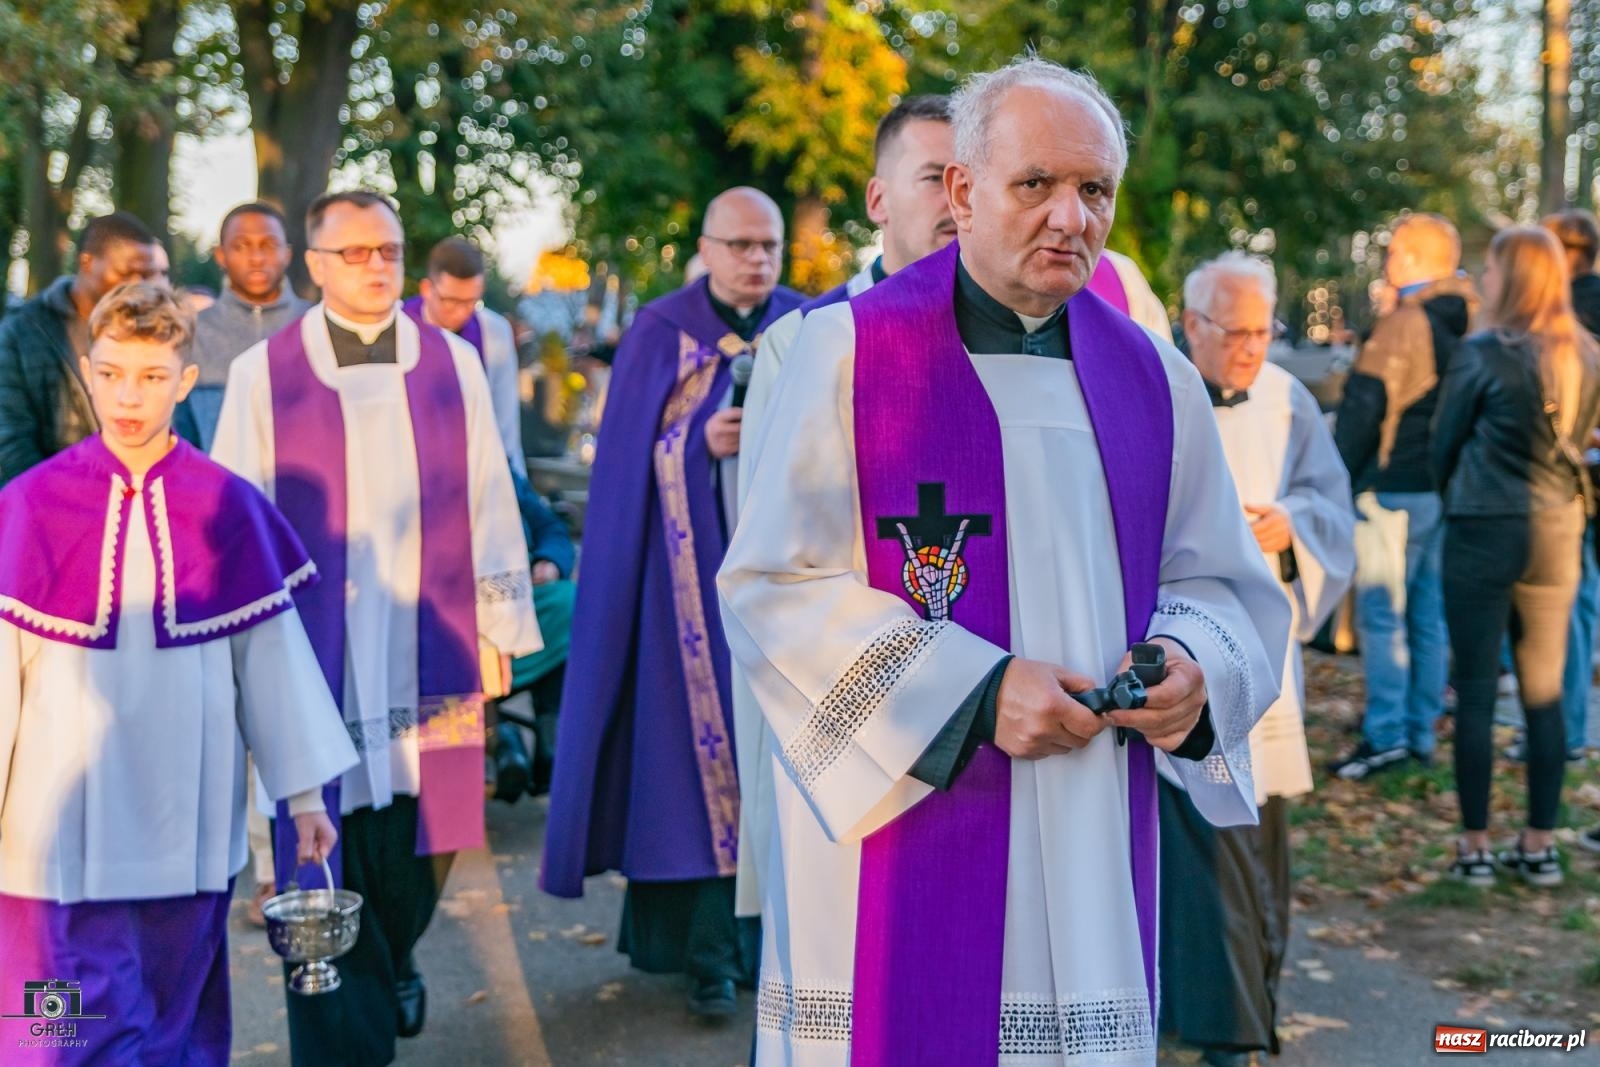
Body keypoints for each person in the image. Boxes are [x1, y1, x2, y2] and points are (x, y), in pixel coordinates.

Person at [718, 58, 1288, 1066]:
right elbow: (774, 585)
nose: (1071, 216)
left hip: (1087, 812)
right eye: (1038, 185)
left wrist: (1191, 668)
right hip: (898, 814)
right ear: (965, 190)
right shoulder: (843, 355)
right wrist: (976, 693)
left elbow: (1218, 582)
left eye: (1094, 189)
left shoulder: (1154, 376)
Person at [211, 190, 541, 1066]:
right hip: (310, 647)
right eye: (352, 252)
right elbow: (234, 516)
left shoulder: (450, 364)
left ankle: (391, 954)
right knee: (319, 847)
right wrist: (236, 642)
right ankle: (345, 1038)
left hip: (432, 633)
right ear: (314, 265)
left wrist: (501, 623)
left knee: (433, 832)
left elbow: (488, 494)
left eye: (387, 249)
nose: (375, 265)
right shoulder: (262, 375)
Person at [0, 282, 357, 1065]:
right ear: (86, 372)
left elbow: (272, 665)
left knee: (171, 1025)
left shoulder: (225, 505)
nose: (130, 395)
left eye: (153, 376)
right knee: (51, 1035)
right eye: (114, 372)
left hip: (182, 825)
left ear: (185, 381)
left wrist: (302, 797)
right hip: (53, 832)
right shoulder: (27, 506)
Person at [541, 186, 805, 1019]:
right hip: (682, 598)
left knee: (786, 772)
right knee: (692, 778)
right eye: (740, 245)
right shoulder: (663, 330)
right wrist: (699, 439)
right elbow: (625, 469)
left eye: (768, 245)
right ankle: (709, 959)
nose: (756, 260)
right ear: (707, 247)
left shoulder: (810, 323)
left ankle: (784, 949)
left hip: (792, 599)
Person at [1159, 254, 1355, 1066]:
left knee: (1258, 830)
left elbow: (1331, 503)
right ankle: (1216, 1022)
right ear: (1191, 325)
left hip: (1262, 643)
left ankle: (1251, 1005)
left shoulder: (1288, 398)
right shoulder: (1156, 384)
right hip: (1178, 640)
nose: (1250, 348)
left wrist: (1294, 524)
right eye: (1233, 331)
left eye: (1262, 331)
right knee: (1201, 838)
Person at [1432, 226, 1600, 889]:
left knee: (1475, 689)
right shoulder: (1587, 350)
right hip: (1558, 531)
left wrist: (1459, 496)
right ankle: (1539, 844)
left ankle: (1475, 844)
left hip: (1482, 528)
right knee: (1546, 692)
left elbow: (1444, 445)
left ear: (1514, 277)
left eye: (1493, 268)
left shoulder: (1483, 351)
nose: (1485, 279)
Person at [1329, 213, 1477, 780]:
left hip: (1392, 490)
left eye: (1393, 250)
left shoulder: (1406, 323)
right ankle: (1419, 728)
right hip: (1440, 489)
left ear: (1414, 257)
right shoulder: (1469, 317)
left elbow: (1364, 407)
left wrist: (1338, 472)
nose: (1386, 259)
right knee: (1427, 615)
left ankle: (1386, 734)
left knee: (1383, 617)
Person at [0, 212, 163, 484]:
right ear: (87, 263)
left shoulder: (153, 329)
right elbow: (9, 437)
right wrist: (57, 503)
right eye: (127, 273)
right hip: (50, 503)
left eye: (148, 275)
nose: (139, 285)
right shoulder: (22, 332)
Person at [1543, 210, 1600, 772]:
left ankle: (1566, 731)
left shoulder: (1569, 314)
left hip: (1570, 483)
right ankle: (1569, 730)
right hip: (1585, 479)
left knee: (1572, 607)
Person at [181, 202, 310, 450]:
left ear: (287, 254)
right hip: (221, 485)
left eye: (269, 245)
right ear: (221, 255)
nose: (257, 258)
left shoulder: (315, 324)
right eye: (241, 246)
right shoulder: (192, 333)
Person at [403, 236, 527, 476]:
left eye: (470, 302)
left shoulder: (494, 333)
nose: (461, 312)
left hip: (472, 471)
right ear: (427, 289)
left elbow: (504, 423)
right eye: (451, 300)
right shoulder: (399, 326)